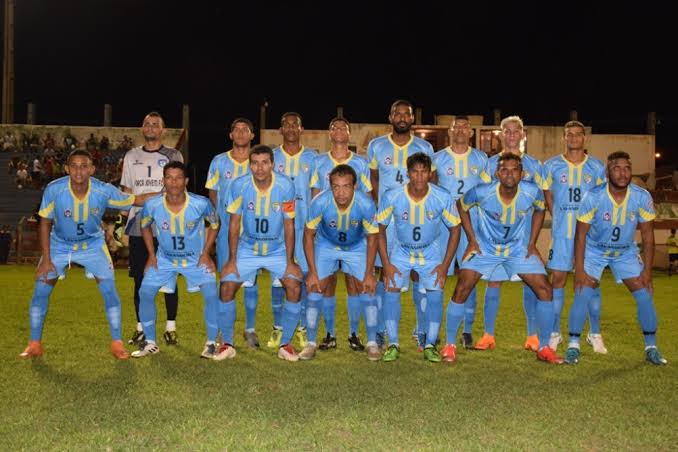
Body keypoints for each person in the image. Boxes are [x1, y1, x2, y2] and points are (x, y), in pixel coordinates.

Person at [18, 150, 153, 360]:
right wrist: (47, 259)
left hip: (92, 245)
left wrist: (171, 191)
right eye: (74, 165)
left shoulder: (103, 190)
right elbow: (45, 223)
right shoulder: (55, 189)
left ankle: (116, 342)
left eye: (84, 166)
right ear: (66, 168)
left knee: (109, 290)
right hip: (60, 245)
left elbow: (138, 199)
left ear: (92, 169)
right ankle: (35, 343)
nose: (79, 170)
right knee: (40, 290)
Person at [443, 153, 562, 364]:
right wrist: (471, 238)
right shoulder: (482, 191)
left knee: (545, 288)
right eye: (504, 170)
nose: (509, 174)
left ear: (522, 173)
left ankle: (544, 347)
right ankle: (450, 345)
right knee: (463, 286)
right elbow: (462, 206)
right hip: (486, 249)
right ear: (497, 173)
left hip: (517, 250)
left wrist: (532, 243)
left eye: (514, 169)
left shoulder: (531, 191)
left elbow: (540, 209)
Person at [565, 151, 667, 365]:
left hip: (625, 252)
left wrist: (647, 271)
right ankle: (573, 345)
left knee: (645, 294)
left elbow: (648, 236)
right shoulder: (593, 196)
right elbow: (580, 235)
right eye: (617, 168)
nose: (622, 173)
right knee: (583, 292)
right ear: (607, 172)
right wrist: (580, 269)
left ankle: (651, 347)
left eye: (627, 168)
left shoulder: (641, 196)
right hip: (594, 250)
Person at [219, 145, 304, 361]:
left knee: (294, 285)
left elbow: (289, 224)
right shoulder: (239, 185)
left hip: (276, 249)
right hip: (248, 248)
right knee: (227, 286)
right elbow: (234, 224)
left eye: (265, 162)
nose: (260, 167)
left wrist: (291, 260)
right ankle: (227, 344)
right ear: (250, 165)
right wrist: (231, 260)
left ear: (272, 164)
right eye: (255, 162)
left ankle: (285, 345)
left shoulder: (285, 185)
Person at [131, 162, 222, 359]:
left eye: (178, 177)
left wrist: (206, 252)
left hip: (195, 260)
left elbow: (215, 224)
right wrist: (151, 255)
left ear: (186, 181)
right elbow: (144, 226)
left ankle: (212, 342)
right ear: (163, 181)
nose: (173, 182)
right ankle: (150, 342)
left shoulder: (201, 203)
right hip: (164, 259)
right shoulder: (152, 204)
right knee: (145, 292)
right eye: (169, 178)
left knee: (211, 294)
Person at [377, 153, 461, 362]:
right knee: (391, 290)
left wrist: (444, 265)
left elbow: (456, 230)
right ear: (408, 173)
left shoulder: (442, 196)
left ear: (430, 173)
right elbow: (379, 229)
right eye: (415, 171)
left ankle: (430, 344)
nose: (420, 176)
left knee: (435, 294)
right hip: (401, 251)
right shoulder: (392, 195)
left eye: (424, 171)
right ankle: (393, 344)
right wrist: (386, 264)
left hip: (430, 252)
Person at [473, 116, 546, 352]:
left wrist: (533, 239)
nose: (512, 135)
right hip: (495, 236)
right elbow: (482, 197)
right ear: (501, 135)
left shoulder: (535, 166)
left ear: (523, 134)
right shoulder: (490, 164)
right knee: (493, 281)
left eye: (517, 131)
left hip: (524, 236)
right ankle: (488, 335)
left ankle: (532, 336)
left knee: (531, 282)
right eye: (508, 131)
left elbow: (541, 202)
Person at [368, 100, 435, 351]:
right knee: (385, 273)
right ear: (390, 117)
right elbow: (373, 178)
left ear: (412, 119)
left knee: (418, 272)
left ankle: (420, 330)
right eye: (397, 113)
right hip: (387, 221)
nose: (402, 116)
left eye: (407, 113)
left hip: (415, 220)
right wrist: (379, 205)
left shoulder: (424, 146)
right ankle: (383, 330)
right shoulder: (376, 145)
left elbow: (432, 178)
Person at [302, 164, 380, 360]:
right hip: (326, 244)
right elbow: (308, 235)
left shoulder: (366, 204)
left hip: (356, 246)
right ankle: (310, 343)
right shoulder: (319, 202)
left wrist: (370, 273)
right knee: (314, 288)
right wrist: (312, 271)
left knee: (367, 288)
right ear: (330, 187)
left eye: (346, 186)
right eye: (336, 187)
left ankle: (371, 342)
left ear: (355, 187)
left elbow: (372, 238)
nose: (341, 192)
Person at [542, 121, 607, 353]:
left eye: (578, 135)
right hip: (562, 234)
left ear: (584, 139)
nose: (574, 138)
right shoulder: (551, 165)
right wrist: (558, 215)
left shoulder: (597, 168)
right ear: (564, 138)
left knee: (591, 282)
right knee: (557, 280)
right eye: (569, 135)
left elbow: (603, 199)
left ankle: (595, 333)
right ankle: (554, 332)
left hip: (589, 236)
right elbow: (547, 194)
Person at [309, 117, 372, 351]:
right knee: (326, 283)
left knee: (354, 282)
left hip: (353, 233)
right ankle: (330, 334)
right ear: (329, 133)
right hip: (326, 233)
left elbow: (367, 199)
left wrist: (364, 231)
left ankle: (354, 334)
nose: (338, 131)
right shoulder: (318, 162)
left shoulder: (361, 163)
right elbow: (315, 195)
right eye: (333, 127)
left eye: (342, 128)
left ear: (349, 134)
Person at [121, 112, 184, 346]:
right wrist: (123, 219)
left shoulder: (173, 155)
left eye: (155, 124)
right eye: (147, 123)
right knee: (140, 279)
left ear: (163, 130)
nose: (150, 127)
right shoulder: (131, 155)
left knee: (169, 278)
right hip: (138, 226)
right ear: (142, 128)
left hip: (168, 224)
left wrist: (145, 199)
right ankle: (140, 327)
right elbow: (126, 192)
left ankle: (170, 327)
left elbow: (177, 188)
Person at [432, 115, 490, 350]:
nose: (460, 131)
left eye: (465, 128)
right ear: (450, 131)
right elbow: (432, 191)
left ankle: (466, 330)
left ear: (471, 133)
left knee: (469, 276)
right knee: (437, 276)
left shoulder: (481, 158)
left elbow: (486, 193)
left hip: (471, 227)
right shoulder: (437, 158)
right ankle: (433, 331)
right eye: (456, 127)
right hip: (444, 226)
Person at [204, 118, 260, 348]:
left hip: (252, 230)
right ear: (230, 135)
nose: (240, 133)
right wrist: (217, 221)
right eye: (236, 129)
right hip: (228, 229)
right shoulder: (219, 161)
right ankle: (221, 331)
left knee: (251, 281)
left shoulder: (259, 162)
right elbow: (213, 194)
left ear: (252, 135)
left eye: (245, 129)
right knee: (226, 278)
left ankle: (250, 329)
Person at [269, 112, 317, 350]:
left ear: (301, 129)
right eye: (286, 124)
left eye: (294, 124)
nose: (290, 128)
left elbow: (316, 192)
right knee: (279, 280)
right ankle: (278, 327)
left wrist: (315, 223)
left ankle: (302, 328)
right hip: (278, 228)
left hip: (305, 227)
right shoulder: (272, 156)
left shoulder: (312, 157)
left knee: (306, 279)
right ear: (280, 129)